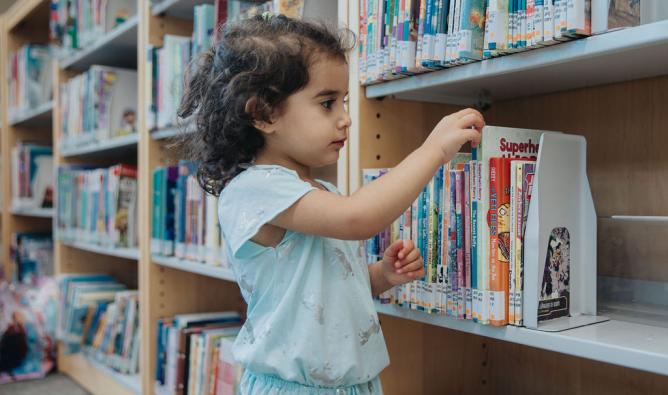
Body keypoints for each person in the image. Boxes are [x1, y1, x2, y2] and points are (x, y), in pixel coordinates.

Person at [179, 14, 484, 395]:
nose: (346, 120)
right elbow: (359, 218)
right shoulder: (255, 189)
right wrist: (432, 150)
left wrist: (381, 276)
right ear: (264, 114)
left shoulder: (319, 191)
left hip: (355, 384)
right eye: (327, 104)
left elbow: (325, 289)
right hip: (296, 388)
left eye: (344, 102)